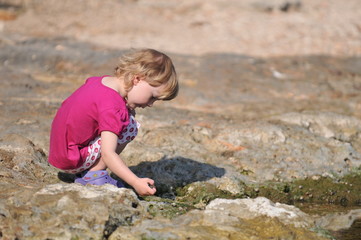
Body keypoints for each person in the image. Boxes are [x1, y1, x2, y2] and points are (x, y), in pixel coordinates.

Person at [48, 49, 178, 196]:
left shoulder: (100, 81)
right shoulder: (113, 106)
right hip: (71, 160)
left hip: (59, 151)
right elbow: (108, 153)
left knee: (125, 118)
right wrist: (135, 182)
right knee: (130, 126)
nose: (151, 104)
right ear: (137, 79)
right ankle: (93, 175)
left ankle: (89, 170)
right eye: (152, 97)